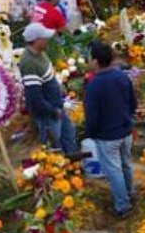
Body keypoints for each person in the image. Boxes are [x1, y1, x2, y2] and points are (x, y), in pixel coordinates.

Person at [84, 42, 138, 218]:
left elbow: (91, 115)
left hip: (107, 136)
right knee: (125, 164)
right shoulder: (122, 77)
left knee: (114, 170)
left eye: (90, 58)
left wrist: (91, 133)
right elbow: (133, 103)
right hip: (125, 131)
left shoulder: (94, 85)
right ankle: (129, 194)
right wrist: (128, 120)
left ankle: (123, 205)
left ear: (96, 61)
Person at [19, 23, 78, 154]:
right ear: (36, 40)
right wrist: (52, 111)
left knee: (69, 137)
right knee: (54, 148)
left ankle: (74, 167)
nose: (48, 40)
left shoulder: (40, 54)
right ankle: (61, 172)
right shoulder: (29, 63)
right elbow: (34, 97)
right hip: (48, 114)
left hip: (57, 107)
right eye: (44, 37)